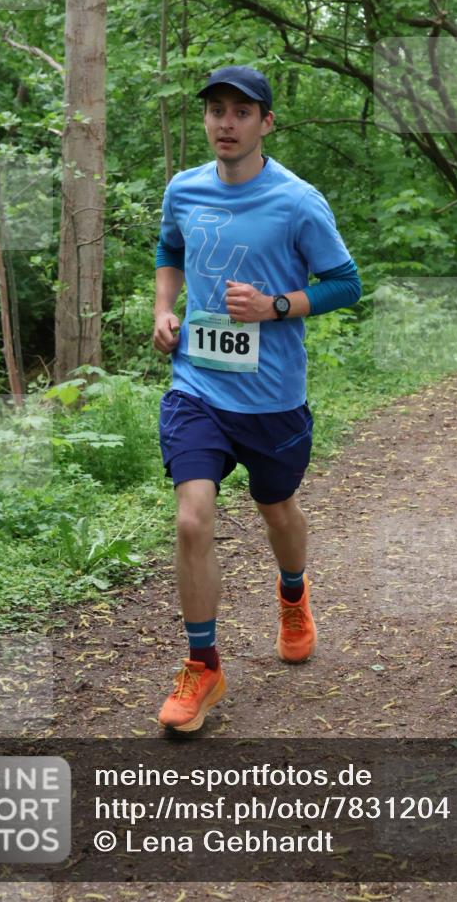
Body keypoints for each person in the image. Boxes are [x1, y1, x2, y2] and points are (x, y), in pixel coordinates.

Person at [153, 65, 361, 732]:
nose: (225, 122)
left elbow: (344, 282)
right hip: (197, 385)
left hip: (270, 397)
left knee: (276, 509)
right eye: (215, 109)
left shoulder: (298, 201)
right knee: (191, 519)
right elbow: (168, 248)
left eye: (241, 112)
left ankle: (293, 595)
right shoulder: (183, 189)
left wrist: (276, 306)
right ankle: (202, 666)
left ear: (265, 123)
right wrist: (164, 309)